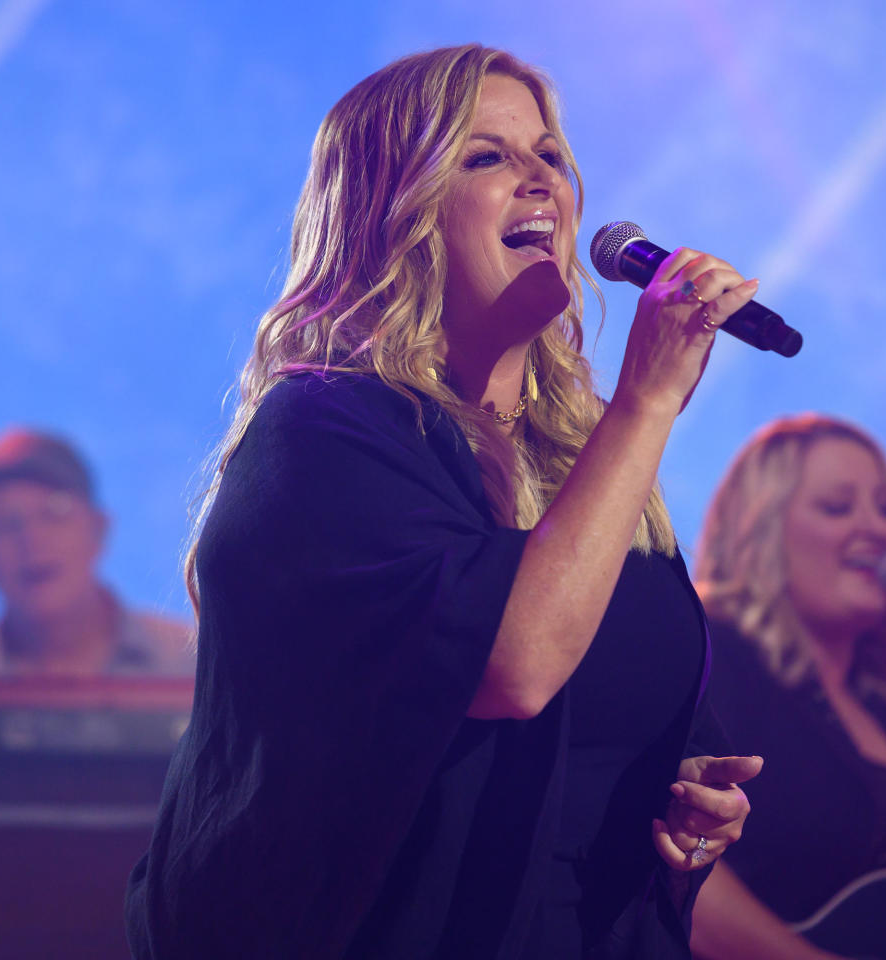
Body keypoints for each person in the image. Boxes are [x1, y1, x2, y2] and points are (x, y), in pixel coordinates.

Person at [125, 44, 765, 959]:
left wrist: (682, 801)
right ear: (397, 214)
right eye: (487, 157)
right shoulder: (322, 434)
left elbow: (631, 705)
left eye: (549, 153)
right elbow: (515, 666)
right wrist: (647, 403)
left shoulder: (580, 451)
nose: (540, 178)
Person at [690, 415, 886, 960]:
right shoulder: (711, 657)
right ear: (762, 530)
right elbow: (665, 862)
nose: (877, 530)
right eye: (837, 506)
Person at [0, 428, 193, 676]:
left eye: (54, 514)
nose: (32, 539)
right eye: (8, 522)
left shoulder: (192, 663)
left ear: (98, 529)